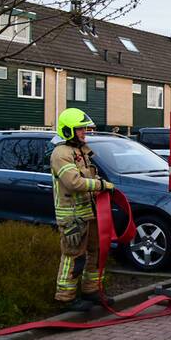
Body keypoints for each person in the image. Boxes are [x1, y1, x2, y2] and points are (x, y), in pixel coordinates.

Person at [52, 108, 114, 311]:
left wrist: (99, 183)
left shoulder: (79, 151)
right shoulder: (61, 153)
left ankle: (92, 290)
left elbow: (88, 176)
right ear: (68, 130)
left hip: (88, 212)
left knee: (96, 252)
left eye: (84, 129)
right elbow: (73, 182)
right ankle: (65, 298)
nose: (83, 132)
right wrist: (100, 186)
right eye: (79, 129)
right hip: (72, 217)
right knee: (74, 256)